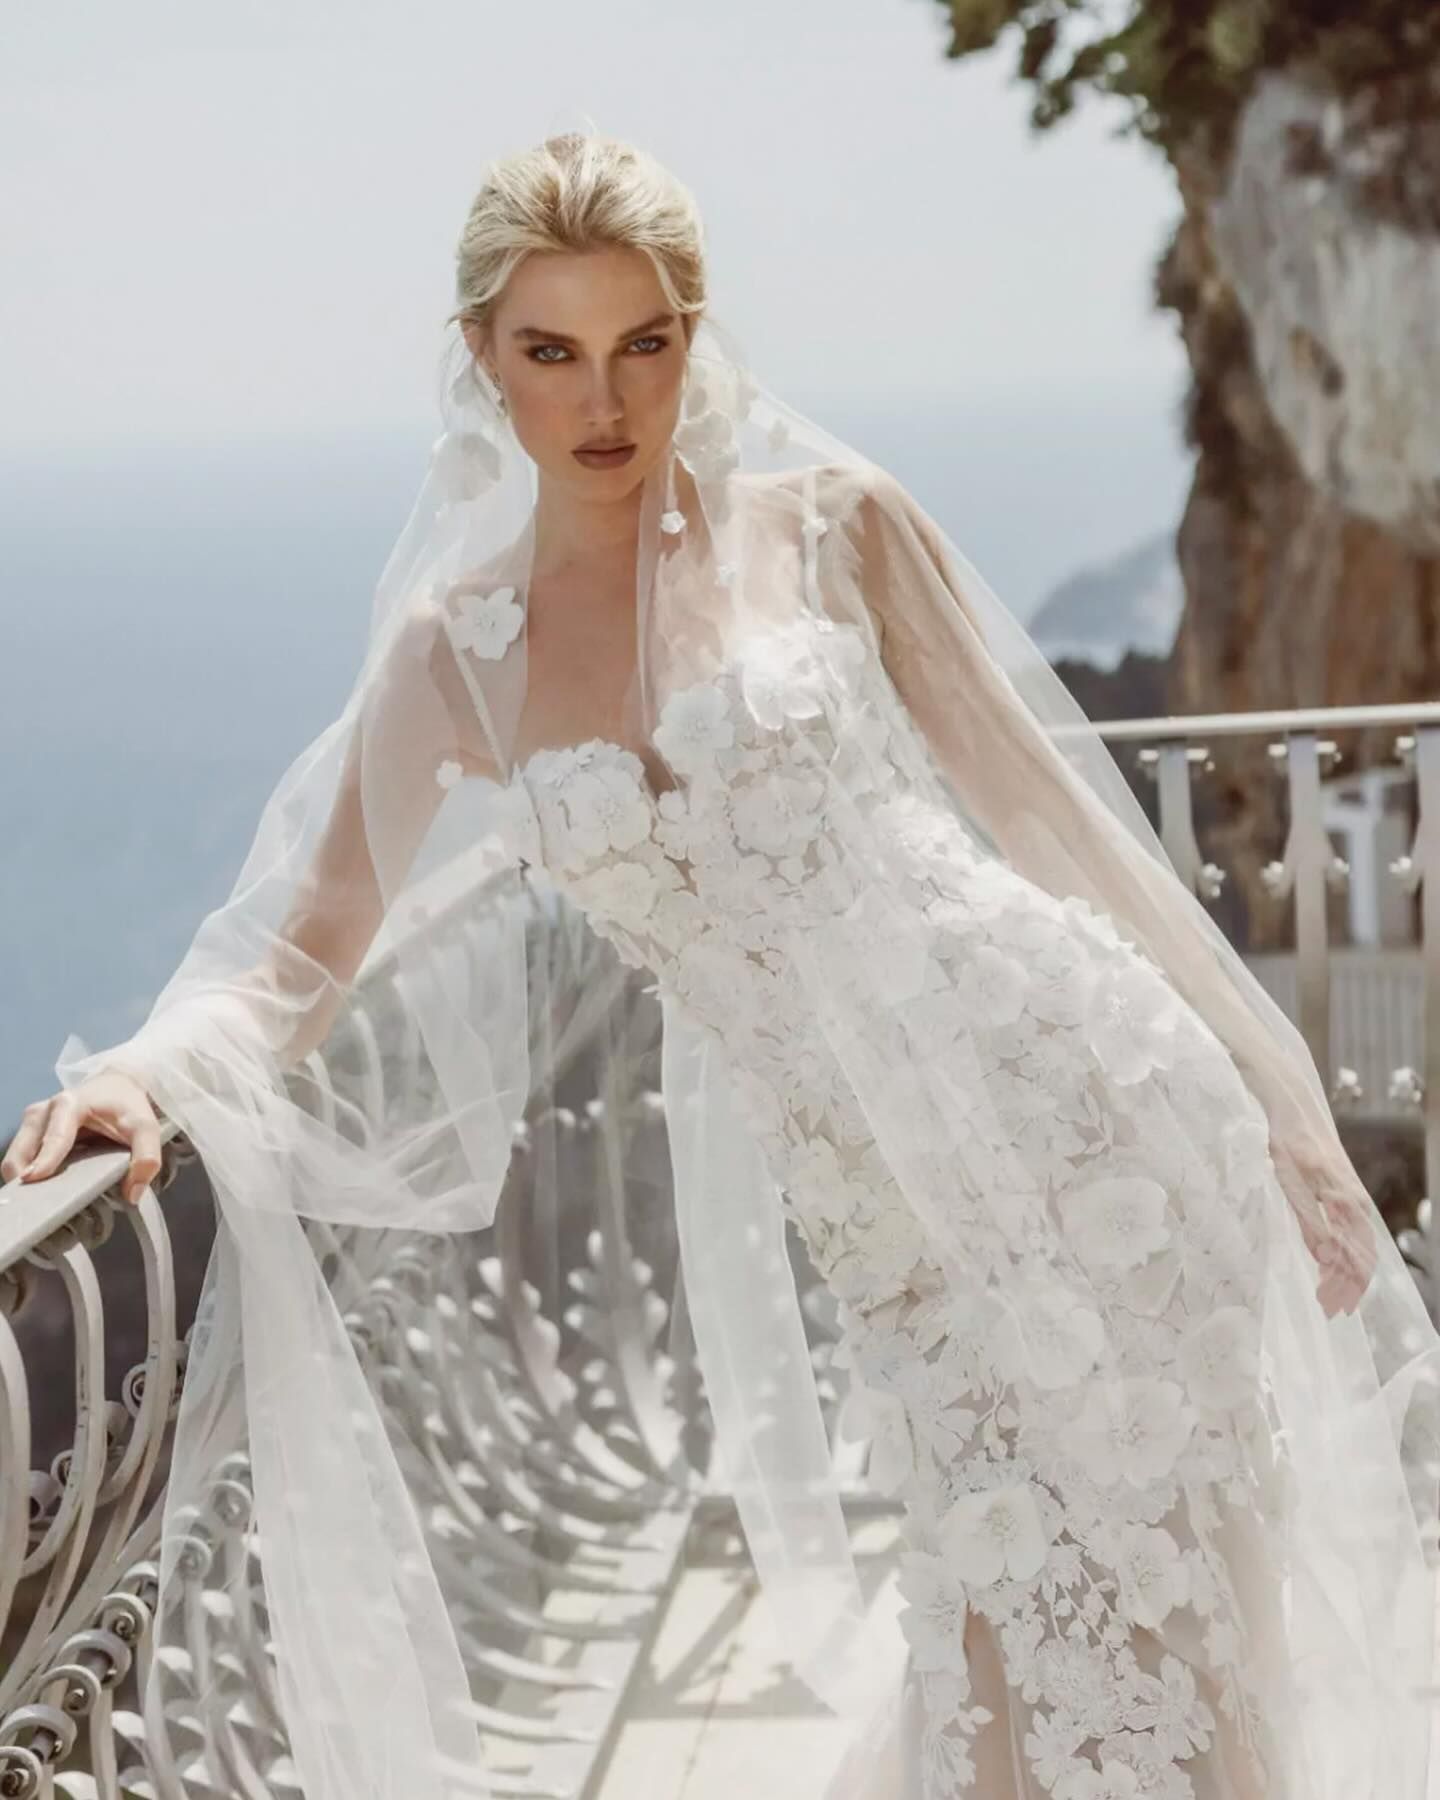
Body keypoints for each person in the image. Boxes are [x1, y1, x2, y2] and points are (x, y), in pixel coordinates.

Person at [5, 130, 1439, 1800]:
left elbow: (1059, 825)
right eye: (552, 352)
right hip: (894, 1220)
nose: (604, 401)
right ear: (484, 361)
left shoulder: (831, 528)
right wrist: (143, 1071)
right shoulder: (455, 662)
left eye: (644, 344)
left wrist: (1275, 1096)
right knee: (997, 1611)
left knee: (1172, 1619)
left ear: (696, 334)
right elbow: (302, 946)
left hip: (1091, 1112)